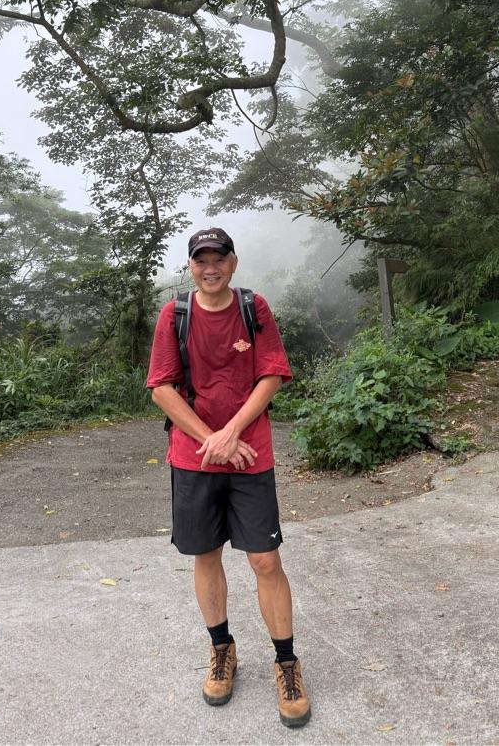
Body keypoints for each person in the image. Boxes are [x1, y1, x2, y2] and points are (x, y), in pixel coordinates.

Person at [147, 227, 311, 729]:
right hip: (194, 458)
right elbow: (162, 388)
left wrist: (232, 432)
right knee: (206, 555)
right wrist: (213, 439)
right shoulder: (175, 315)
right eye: (201, 260)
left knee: (265, 559)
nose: (210, 267)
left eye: (219, 258)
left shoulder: (252, 307)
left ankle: (286, 663)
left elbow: (271, 374)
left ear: (233, 263)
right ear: (191, 266)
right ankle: (222, 651)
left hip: (250, 455)